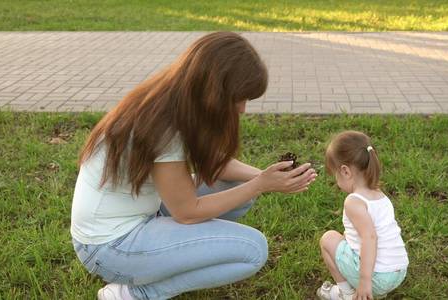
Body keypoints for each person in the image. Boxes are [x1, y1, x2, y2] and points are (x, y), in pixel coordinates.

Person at [70, 31, 317, 300]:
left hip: (142, 216)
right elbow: (187, 212)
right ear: (215, 90)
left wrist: (263, 178)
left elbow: (216, 162)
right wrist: (262, 184)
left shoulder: (173, 99)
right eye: (239, 98)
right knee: (253, 250)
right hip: (108, 247)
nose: (243, 109)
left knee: (241, 189)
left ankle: (162, 253)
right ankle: (137, 293)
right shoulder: (165, 127)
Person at [317, 131, 408, 300]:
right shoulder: (380, 196)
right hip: (398, 272)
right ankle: (374, 289)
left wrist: (365, 281)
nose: (336, 180)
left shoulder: (354, 201)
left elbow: (369, 238)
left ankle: (347, 294)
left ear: (345, 171)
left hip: (376, 278)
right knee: (342, 240)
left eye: (335, 174)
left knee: (328, 239)